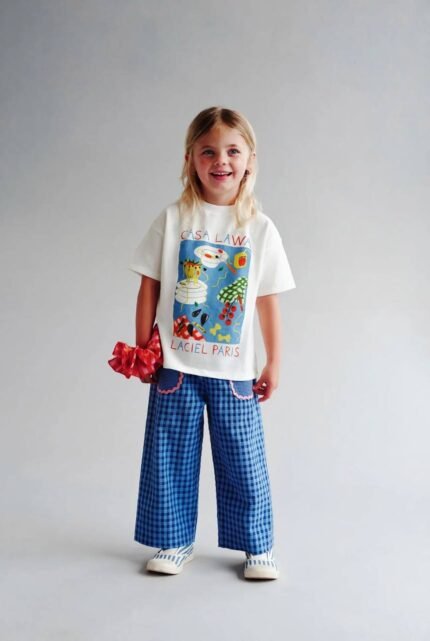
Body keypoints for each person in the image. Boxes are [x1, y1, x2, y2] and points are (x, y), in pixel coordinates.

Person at [128, 106, 296, 580]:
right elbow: (148, 286)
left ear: (250, 160)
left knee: (244, 459)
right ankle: (174, 540)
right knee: (169, 457)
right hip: (176, 367)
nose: (221, 161)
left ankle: (257, 547)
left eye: (232, 151)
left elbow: (266, 301)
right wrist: (143, 348)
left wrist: (274, 362)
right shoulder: (173, 218)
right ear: (190, 159)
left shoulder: (260, 229)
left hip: (235, 372)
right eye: (208, 151)